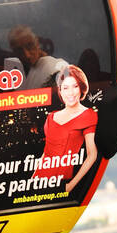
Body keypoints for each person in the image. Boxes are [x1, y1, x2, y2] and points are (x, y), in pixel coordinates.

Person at [32, 65, 98, 196]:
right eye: (65, 88)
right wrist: (32, 179)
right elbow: (46, 153)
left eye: (75, 86)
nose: (71, 92)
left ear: (81, 88)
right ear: (60, 91)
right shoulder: (51, 117)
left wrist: (71, 185)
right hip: (38, 181)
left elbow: (92, 155)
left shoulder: (88, 115)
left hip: (63, 182)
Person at [8, 25, 67, 90]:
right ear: (14, 52)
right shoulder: (12, 74)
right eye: (19, 50)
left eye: (29, 46)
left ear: (37, 43)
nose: (27, 55)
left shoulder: (55, 68)